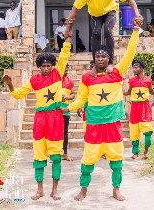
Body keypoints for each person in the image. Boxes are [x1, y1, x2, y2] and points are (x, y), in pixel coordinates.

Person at [59, 19, 140, 201]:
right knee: (87, 160)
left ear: (109, 58)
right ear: (94, 59)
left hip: (112, 124)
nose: (101, 59)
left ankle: (116, 189)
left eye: (104, 56)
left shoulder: (117, 72)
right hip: (94, 125)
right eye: (98, 57)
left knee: (117, 160)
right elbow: (82, 98)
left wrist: (135, 30)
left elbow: (130, 52)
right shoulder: (87, 77)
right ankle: (84, 190)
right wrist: (69, 108)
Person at [3, 37, 71, 201]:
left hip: (56, 118)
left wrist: (67, 38)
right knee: (39, 156)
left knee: (55, 156)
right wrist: (10, 85)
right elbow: (19, 94)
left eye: (48, 66)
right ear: (39, 67)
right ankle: (39, 190)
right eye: (43, 66)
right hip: (40, 119)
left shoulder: (58, 73)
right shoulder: (34, 80)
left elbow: (64, 55)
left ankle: (54, 190)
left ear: (52, 66)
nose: (46, 68)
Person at [65, 0, 143, 59]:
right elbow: (74, 11)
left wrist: (137, 14)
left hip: (110, 11)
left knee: (107, 30)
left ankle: (110, 60)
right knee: (95, 33)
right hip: (95, 14)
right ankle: (95, 61)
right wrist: (68, 29)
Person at [123, 60, 154, 159]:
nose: (134, 69)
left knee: (147, 130)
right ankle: (135, 152)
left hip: (145, 108)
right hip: (134, 108)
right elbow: (128, 92)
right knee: (134, 131)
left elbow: (152, 91)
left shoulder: (148, 80)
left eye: (136, 67)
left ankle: (146, 152)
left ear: (142, 69)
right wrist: (119, 92)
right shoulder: (131, 81)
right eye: (133, 68)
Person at [61, 64, 75, 161]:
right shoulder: (55, 80)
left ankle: (65, 154)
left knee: (65, 132)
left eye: (67, 71)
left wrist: (67, 97)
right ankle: (56, 154)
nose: (66, 72)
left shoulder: (70, 81)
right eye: (64, 70)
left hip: (66, 110)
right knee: (56, 133)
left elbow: (73, 94)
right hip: (56, 110)